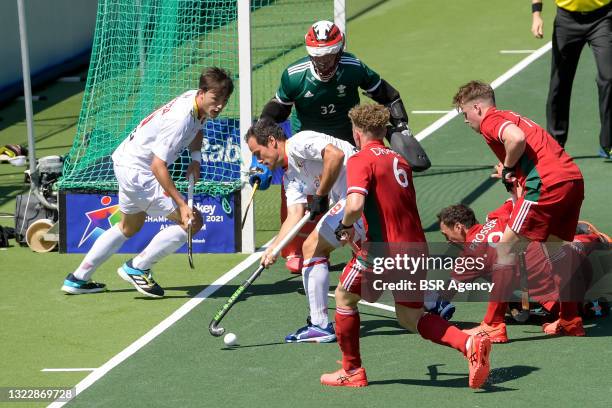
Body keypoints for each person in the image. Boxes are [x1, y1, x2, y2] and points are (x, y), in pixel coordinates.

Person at [321, 104, 492, 389]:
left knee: (343, 297)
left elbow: (355, 204)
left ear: (357, 132)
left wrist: (347, 226)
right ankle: (469, 342)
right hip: (415, 249)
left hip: (383, 251)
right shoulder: (399, 160)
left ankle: (352, 370)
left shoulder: (361, 159)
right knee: (410, 316)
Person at [259, 20, 431, 273]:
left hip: (348, 138)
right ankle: (293, 248)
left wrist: (402, 127)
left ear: (339, 51)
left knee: (361, 193)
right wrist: (262, 145)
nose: (324, 62)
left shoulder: (353, 67)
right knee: (297, 193)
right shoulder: (294, 76)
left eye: (329, 56)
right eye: (318, 56)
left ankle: (367, 242)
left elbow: (389, 96)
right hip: (308, 139)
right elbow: (276, 111)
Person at [61, 67, 234, 298]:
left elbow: (198, 129)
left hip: (126, 162)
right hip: (140, 172)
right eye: (216, 99)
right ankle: (138, 266)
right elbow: (157, 166)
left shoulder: (196, 102)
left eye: (224, 100)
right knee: (192, 221)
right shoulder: (180, 119)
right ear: (202, 93)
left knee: (128, 227)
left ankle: (78, 278)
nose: (220, 105)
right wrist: (182, 204)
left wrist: (195, 159)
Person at [452, 80, 585, 335]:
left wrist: (510, 167)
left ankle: (492, 325)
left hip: (546, 185)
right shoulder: (513, 116)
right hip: (571, 180)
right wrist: (513, 172)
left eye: (465, 113)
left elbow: (516, 139)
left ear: (478, 108)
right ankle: (570, 320)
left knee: (505, 248)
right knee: (556, 252)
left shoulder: (492, 120)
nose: (466, 121)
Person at [245, 118, 366, 343]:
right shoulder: (289, 177)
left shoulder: (299, 143)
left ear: (272, 141)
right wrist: (273, 248)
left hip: (359, 196)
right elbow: (294, 214)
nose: (258, 159)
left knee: (311, 248)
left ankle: (320, 325)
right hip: (352, 201)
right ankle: (432, 302)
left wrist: (320, 194)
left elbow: (336, 155)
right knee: (382, 255)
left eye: (258, 152)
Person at [437, 200, 610, 342]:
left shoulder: (469, 255)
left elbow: (445, 295)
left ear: (459, 227)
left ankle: (589, 306)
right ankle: (589, 239)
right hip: (577, 262)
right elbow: (515, 201)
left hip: (560, 293)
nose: (448, 241)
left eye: (446, 235)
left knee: (512, 302)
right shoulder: (497, 217)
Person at [531, 0, 612, 158]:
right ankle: (555, 144)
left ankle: (609, 143)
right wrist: (536, 14)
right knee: (559, 82)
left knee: (609, 78)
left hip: (602, 18)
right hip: (567, 21)